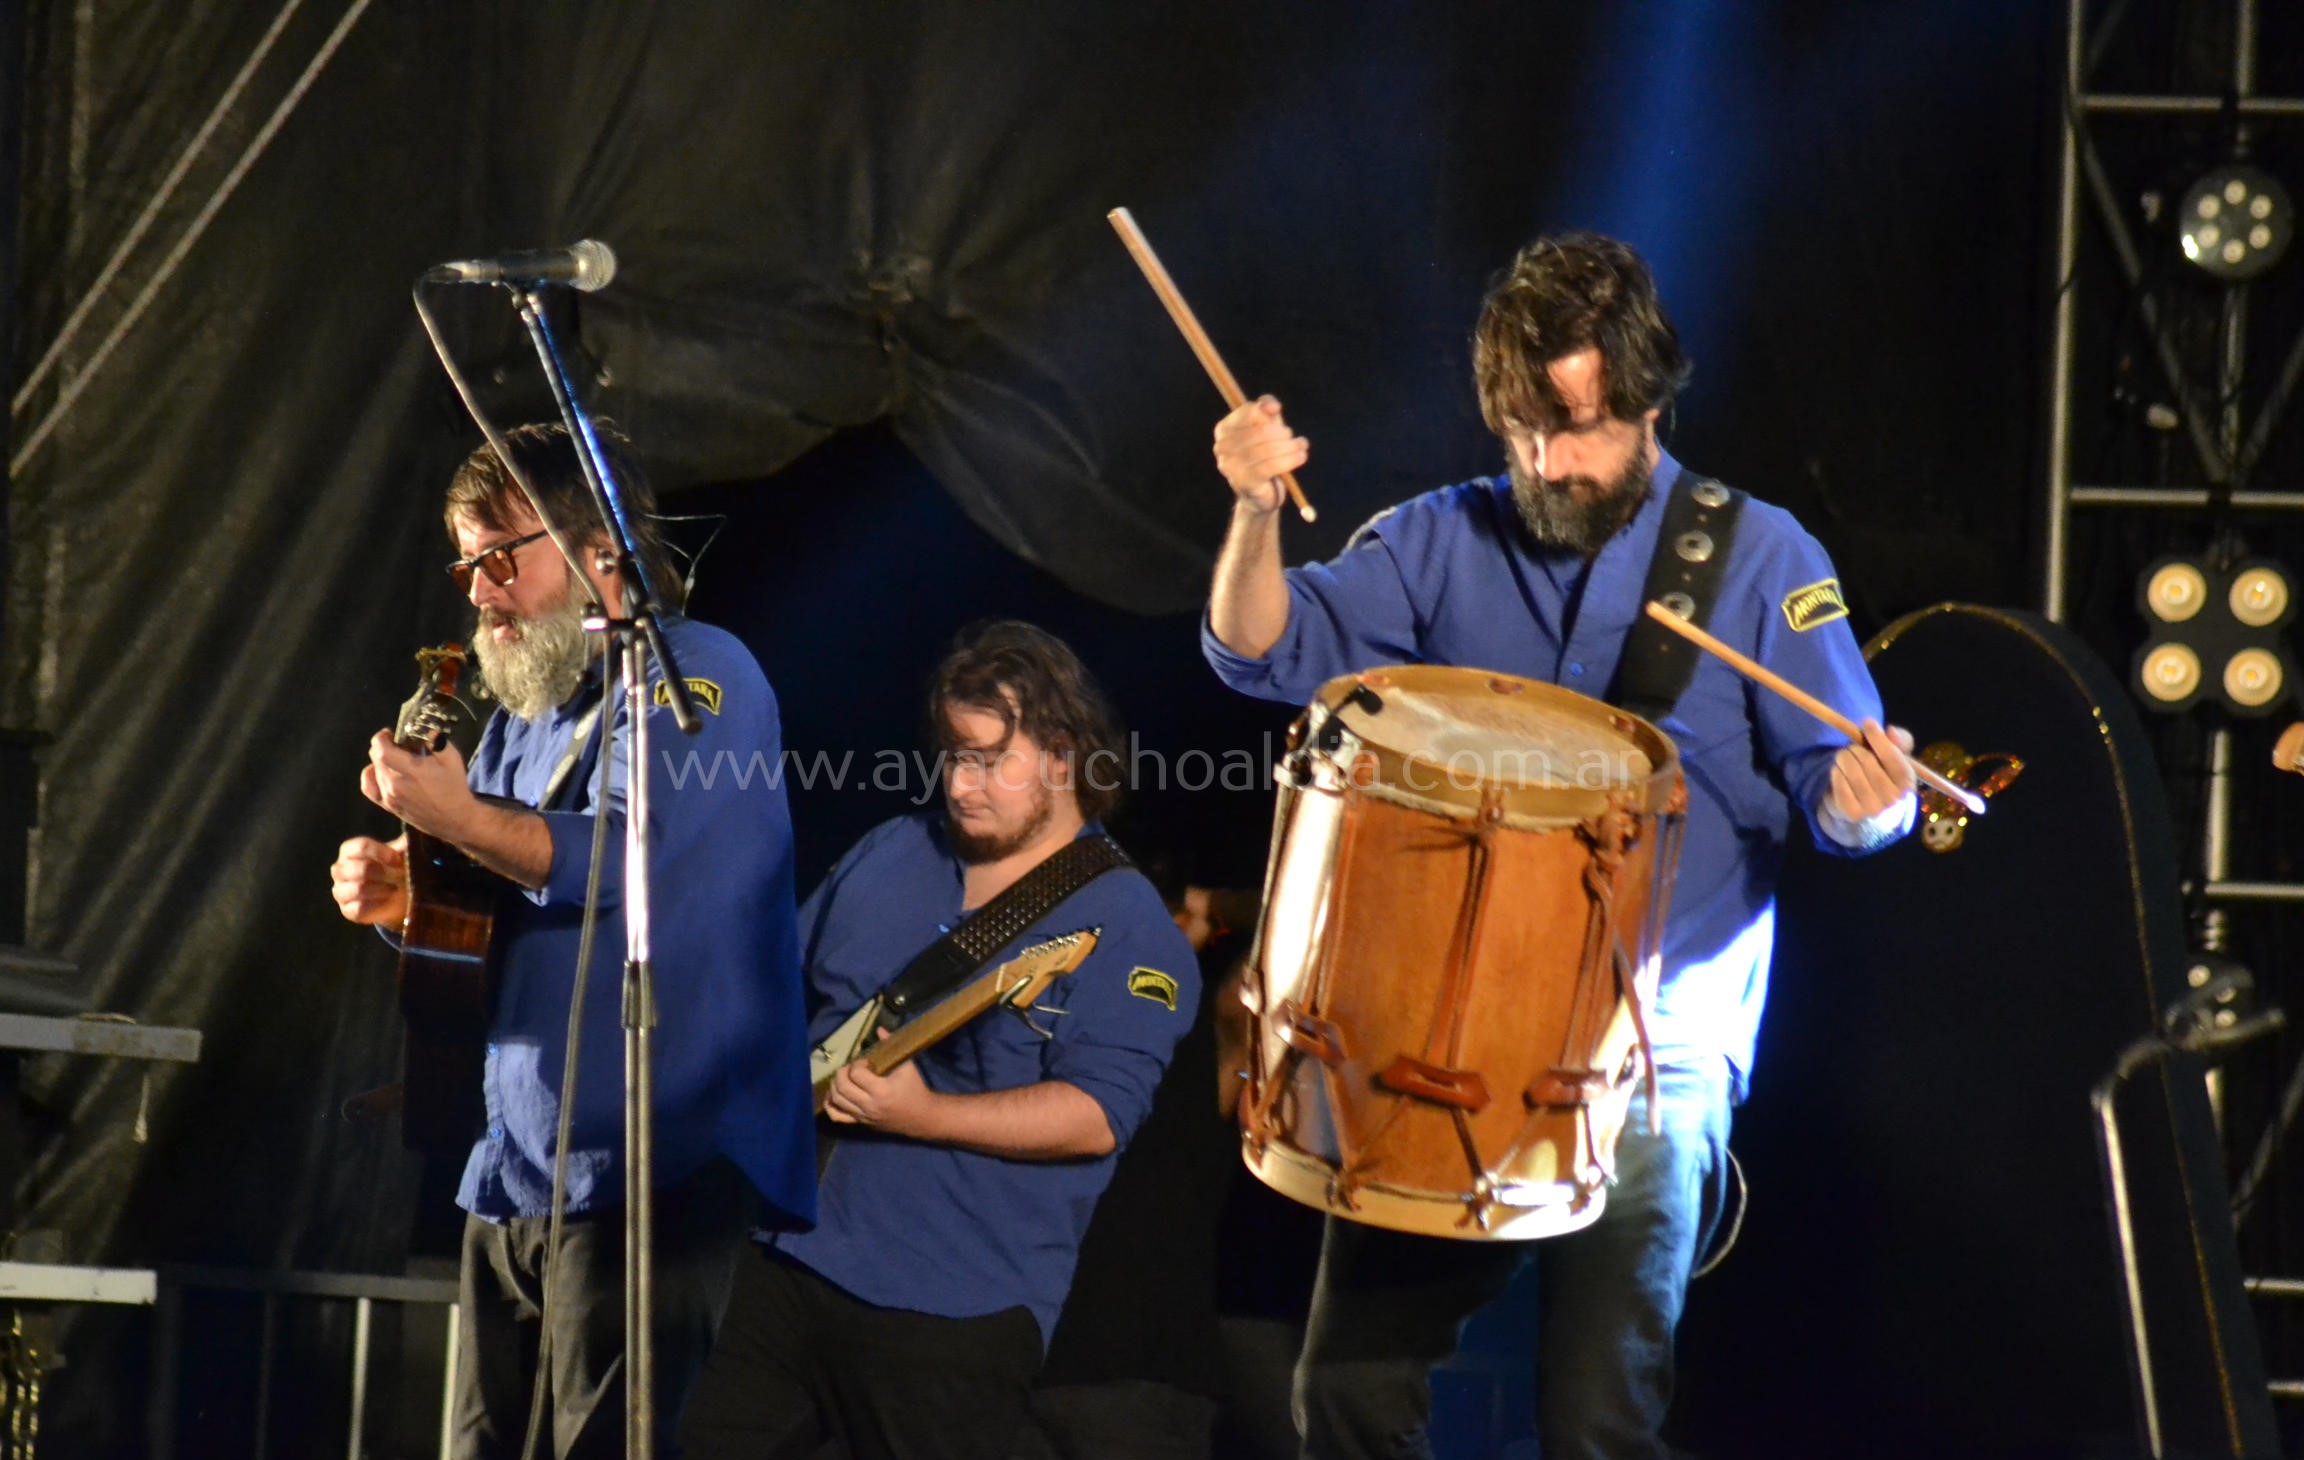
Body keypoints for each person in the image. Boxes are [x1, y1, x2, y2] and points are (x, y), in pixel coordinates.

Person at [1199, 232, 1918, 1460]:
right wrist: (1253, 514)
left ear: (1649, 401)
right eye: (1524, 429)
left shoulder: (1763, 557)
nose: (1549, 463)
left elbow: (1846, 801)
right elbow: (1259, 650)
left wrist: (1871, 799)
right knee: (1348, 1391)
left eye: (1578, 429)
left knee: (1596, 1421)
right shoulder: (1440, 537)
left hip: (1655, 1055)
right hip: (1445, 1037)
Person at [328, 423, 815, 1458]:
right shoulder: (524, 716)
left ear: (603, 549)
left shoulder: (697, 671)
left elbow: (632, 853)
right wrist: (407, 901)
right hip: (512, 1170)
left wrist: (460, 821)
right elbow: (486, 902)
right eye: (466, 563)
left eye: (501, 556)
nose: (479, 590)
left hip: (651, 1171)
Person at [680, 619, 1199, 1460]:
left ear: (1062, 757)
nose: (962, 785)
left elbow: (1097, 1116)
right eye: (954, 756)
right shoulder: (895, 846)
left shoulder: (1127, 923)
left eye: (990, 760)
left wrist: (923, 1115)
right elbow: (777, 993)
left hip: (954, 1306)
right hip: (788, 1259)